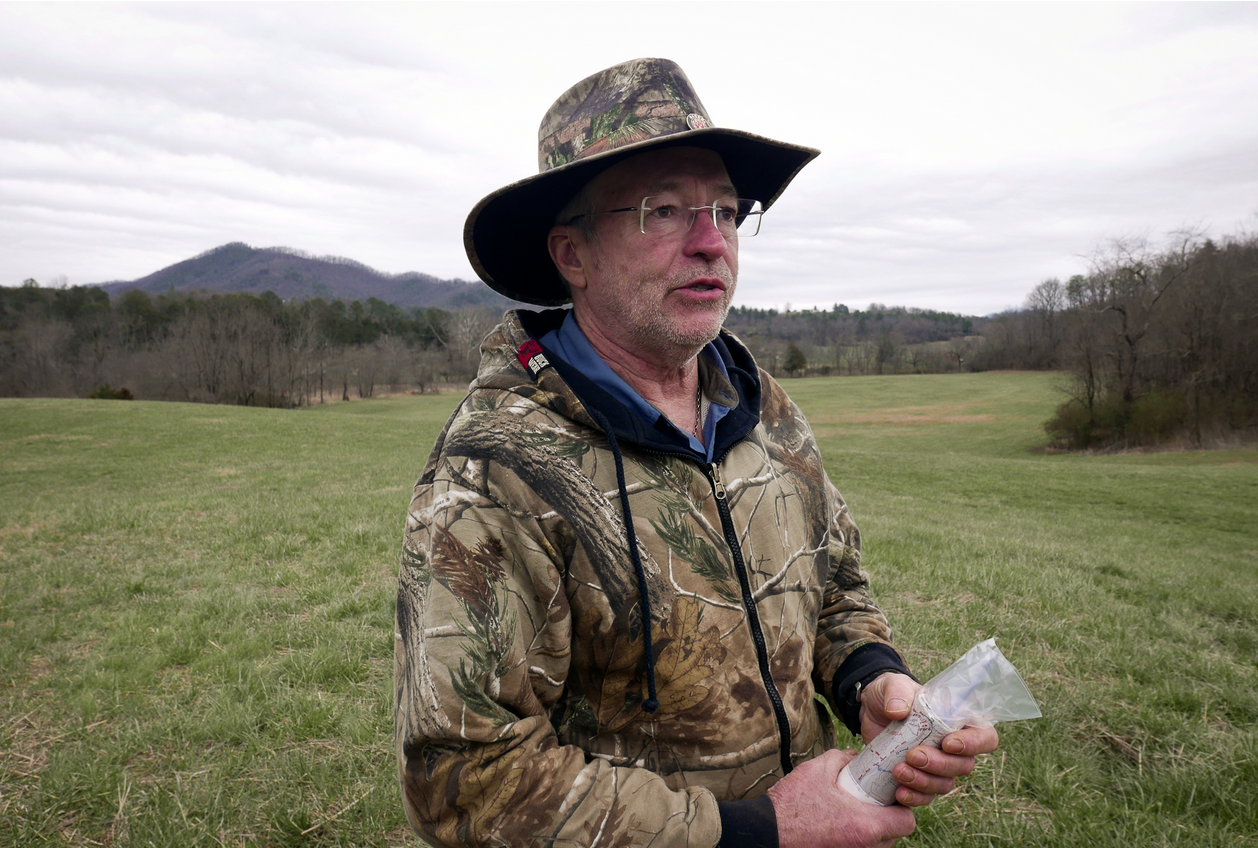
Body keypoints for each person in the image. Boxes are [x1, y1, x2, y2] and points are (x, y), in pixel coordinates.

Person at [394, 58, 998, 848]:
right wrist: (761, 831)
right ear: (572, 255)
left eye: (724, 208)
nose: (712, 241)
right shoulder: (496, 470)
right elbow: (465, 780)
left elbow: (836, 585)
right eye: (665, 210)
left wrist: (872, 682)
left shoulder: (759, 407)